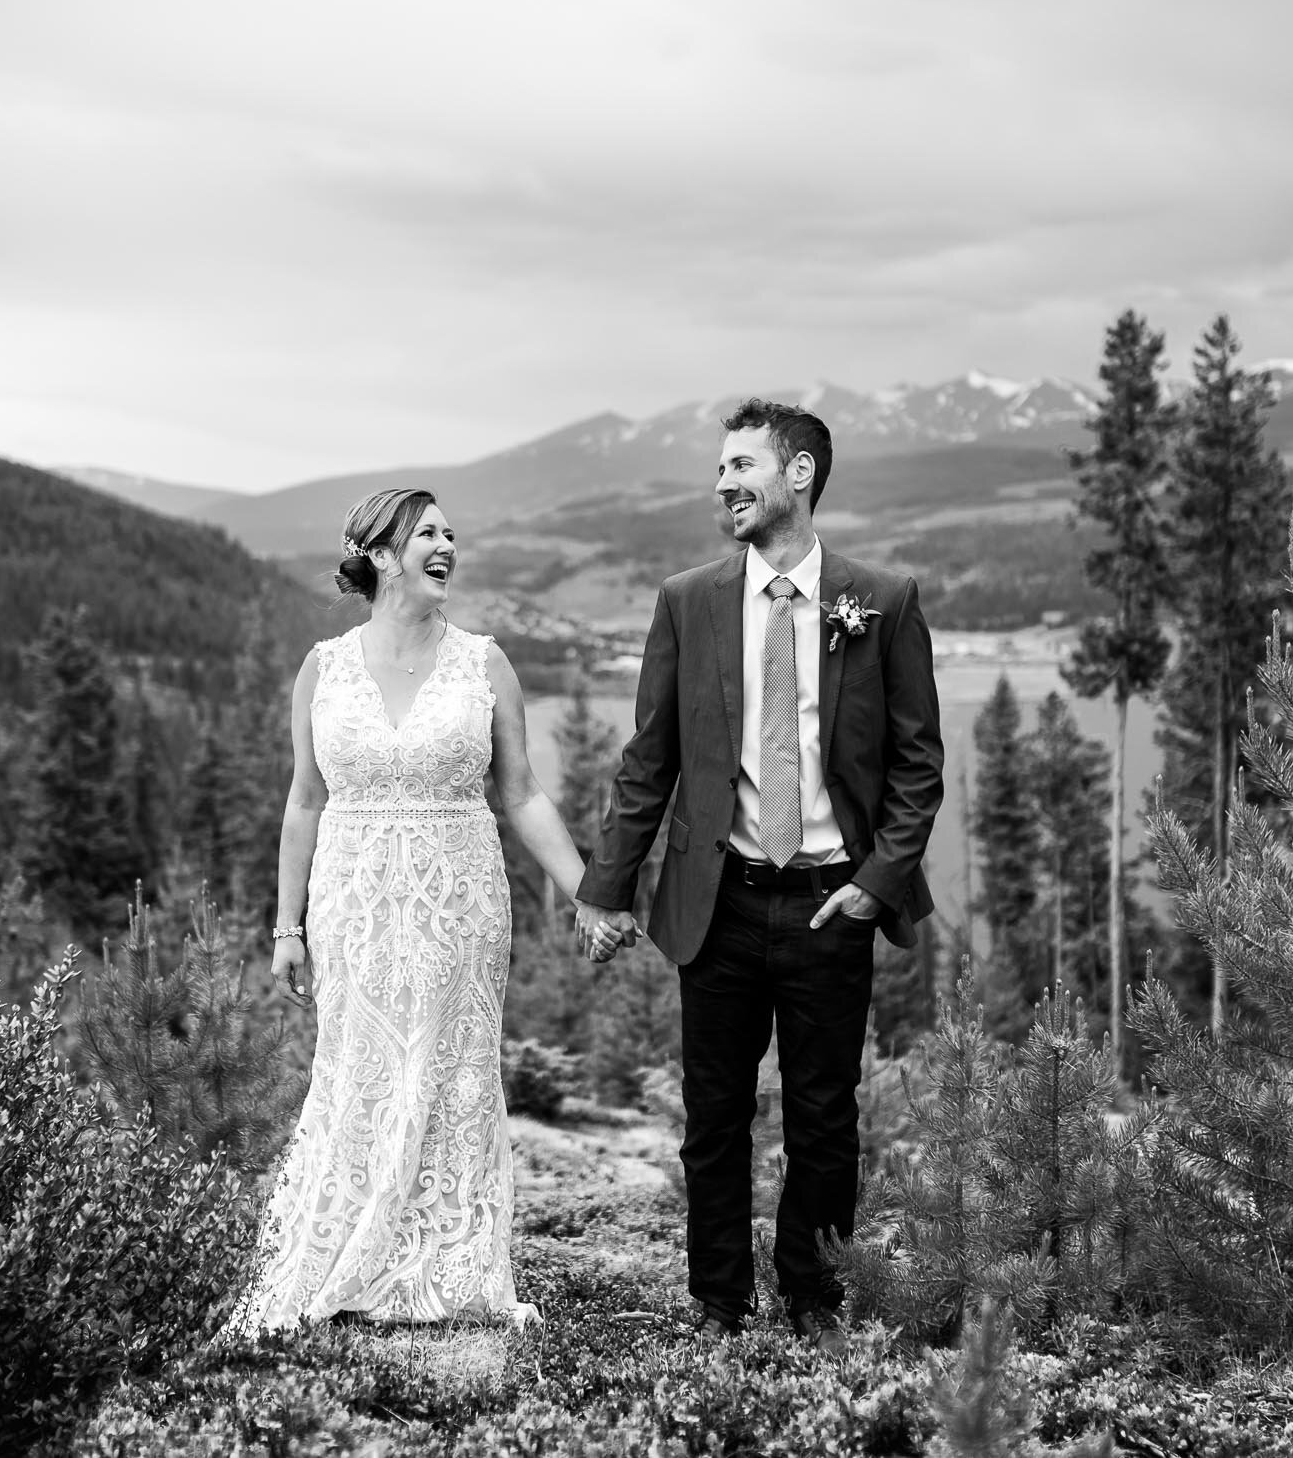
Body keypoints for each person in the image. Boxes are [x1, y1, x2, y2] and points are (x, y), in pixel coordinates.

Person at [574, 398, 943, 1351]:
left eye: (742, 465)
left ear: (801, 475)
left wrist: (877, 882)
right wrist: (605, 886)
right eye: (718, 470)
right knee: (715, 1119)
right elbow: (649, 758)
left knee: (825, 1118)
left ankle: (814, 1300)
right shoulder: (687, 600)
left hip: (833, 903)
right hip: (722, 902)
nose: (723, 484)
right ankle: (718, 1303)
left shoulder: (884, 600)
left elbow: (918, 767)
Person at [219, 486, 605, 1334]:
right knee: (358, 1069)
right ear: (381, 554)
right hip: (352, 902)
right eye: (427, 532)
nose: (447, 545)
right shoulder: (324, 667)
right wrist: (286, 928)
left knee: (452, 1072)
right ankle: (350, 1249)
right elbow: (304, 801)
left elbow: (523, 794)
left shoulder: (484, 662)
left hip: (459, 902)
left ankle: (451, 1261)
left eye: (450, 533)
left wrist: (591, 890)